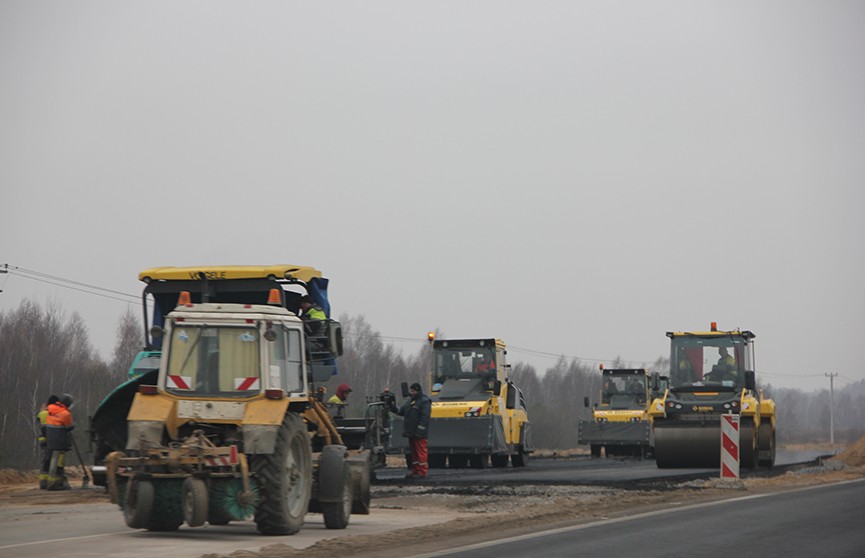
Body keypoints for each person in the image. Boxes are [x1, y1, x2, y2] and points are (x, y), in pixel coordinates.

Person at [387, 383, 432, 479]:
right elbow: (400, 411)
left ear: (418, 391)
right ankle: (415, 469)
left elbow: (425, 418)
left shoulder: (424, 402)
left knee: (421, 452)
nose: (411, 393)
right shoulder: (410, 402)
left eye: (413, 391)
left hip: (419, 433)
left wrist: (420, 430)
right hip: (411, 432)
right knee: (414, 452)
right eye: (411, 391)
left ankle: (422, 471)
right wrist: (392, 406)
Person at [44, 393, 74, 491]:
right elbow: (69, 427)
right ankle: (53, 484)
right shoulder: (65, 413)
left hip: (50, 438)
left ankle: (54, 482)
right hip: (60, 440)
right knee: (57, 462)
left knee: (52, 460)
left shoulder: (50, 408)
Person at [36, 395, 58, 489]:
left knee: (46, 461)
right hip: (48, 440)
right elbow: (46, 429)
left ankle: (44, 482)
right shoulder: (45, 414)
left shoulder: (43, 413)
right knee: (47, 461)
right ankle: (46, 482)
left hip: (45, 440)